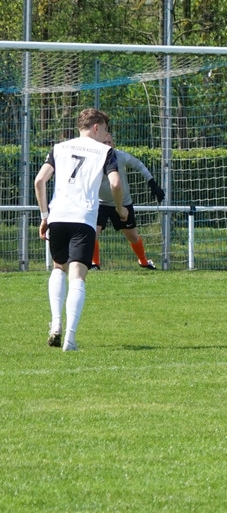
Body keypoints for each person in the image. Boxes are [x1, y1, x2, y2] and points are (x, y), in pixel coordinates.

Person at [33, 108, 127, 352]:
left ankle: (55, 324)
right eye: (105, 129)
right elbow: (116, 183)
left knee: (58, 267)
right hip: (83, 218)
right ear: (96, 127)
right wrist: (120, 208)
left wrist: (45, 216)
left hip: (57, 216)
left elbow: (39, 181)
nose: (106, 135)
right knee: (77, 275)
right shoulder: (105, 151)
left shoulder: (59, 148)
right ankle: (70, 339)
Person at [91, 131, 165, 270]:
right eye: (103, 143)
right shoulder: (93, 158)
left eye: (109, 142)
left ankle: (143, 261)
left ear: (113, 144)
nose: (107, 145)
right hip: (100, 203)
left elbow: (139, 165)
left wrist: (152, 184)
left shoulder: (121, 156)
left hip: (123, 202)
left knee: (133, 237)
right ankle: (95, 264)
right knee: (92, 233)